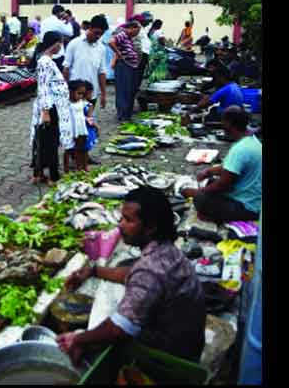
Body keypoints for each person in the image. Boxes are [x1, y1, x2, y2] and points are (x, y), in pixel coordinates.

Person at [57, 186, 207, 365]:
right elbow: (130, 273)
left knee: (95, 342)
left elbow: (119, 329)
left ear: (150, 227)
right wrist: (93, 271)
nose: (120, 225)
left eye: (128, 220)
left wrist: (78, 339)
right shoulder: (165, 249)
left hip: (171, 356)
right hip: (186, 340)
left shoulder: (150, 268)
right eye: (121, 218)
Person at [181, 106, 261, 222]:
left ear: (229, 123)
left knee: (200, 199)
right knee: (210, 182)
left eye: (223, 120)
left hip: (247, 207)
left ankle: (215, 216)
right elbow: (230, 168)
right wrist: (208, 171)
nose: (221, 124)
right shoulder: (251, 140)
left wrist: (197, 193)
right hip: (253, 197)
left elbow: (223, 185)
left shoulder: (240, 150)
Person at [29, 31, 74, 185]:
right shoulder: (45, 62)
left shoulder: (47, 60)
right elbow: (43, 87)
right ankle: (53, 177)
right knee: (50, 142)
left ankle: (39, 173)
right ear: (54, 44)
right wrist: (46, 111)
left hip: (52, 106)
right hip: (50, 107)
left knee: (42, 140)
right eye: (60, 43)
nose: (61, 46)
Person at [63, 14, 108, 162]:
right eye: (96, 33)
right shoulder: (74, 44)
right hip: (75, 95)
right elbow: (66, 68)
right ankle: (73, 154)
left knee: (87, 125)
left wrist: (103, 94)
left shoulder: (101, 48)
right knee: (74, 126)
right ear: (89, 27)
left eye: (100, 34)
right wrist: (66, 92)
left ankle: (84, 155)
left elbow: (101, 72)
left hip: (91, 95)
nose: (98, 36)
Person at [109, 18, 141, 121]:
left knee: (128, 90)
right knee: (124, 90)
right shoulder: (123, 34)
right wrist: (118, 53)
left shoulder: (128, 37)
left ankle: (126, 114)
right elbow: (111, 42)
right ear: (131, 28)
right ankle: (122, 115)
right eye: (137, 31)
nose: (137, 33)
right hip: (124, 66)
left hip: (130, 66)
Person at [64, 80, 89, 173]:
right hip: (72, 129)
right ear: (71, 92)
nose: (81, 96)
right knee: (69, 150)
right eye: (79, 93)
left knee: (83, 148)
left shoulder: (81, 101)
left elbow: (88, 108)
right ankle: (67, 169)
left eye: (83, 93)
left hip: (81, 128)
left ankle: (84, 166)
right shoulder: (67, 103)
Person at [40, 4, 74, 71]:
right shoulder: (58, 22)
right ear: (60, 13)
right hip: (57, 55)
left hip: (45, 52)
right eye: (63, 13)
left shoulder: (44, 21)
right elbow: (70, 33)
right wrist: (67, 20)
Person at [144, 19, 169, 85]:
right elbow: (162, 40)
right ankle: (156, 82)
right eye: (161, 25)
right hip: (158, 52)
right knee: (159, 67)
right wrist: (165, 45)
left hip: (151, 52)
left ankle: (150, 82)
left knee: (152, 67)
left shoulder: (151, 31)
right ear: (159, 25)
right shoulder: (159, 31)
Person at [83, 81, 100, 164]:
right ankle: (85, 160)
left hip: (80, 127)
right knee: (86, 145)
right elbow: (90, 119)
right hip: (86, 128)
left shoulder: (76, 103)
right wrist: (96, 126)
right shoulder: (89, 105)